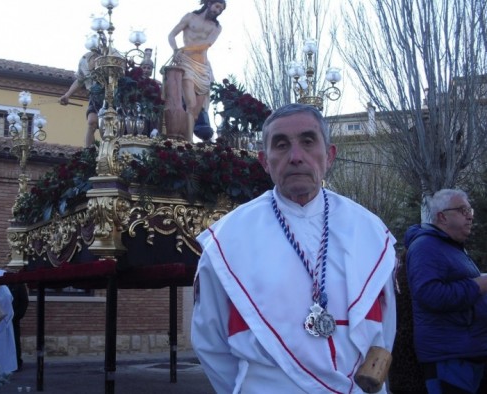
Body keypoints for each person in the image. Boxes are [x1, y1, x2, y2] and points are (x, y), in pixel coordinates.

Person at [191, 103, 397, 393]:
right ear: (264, 160)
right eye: (281, 145)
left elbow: (385, 331)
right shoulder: (227, 240)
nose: (296, 157)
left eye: (308, 141)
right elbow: (210, 344)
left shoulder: (371, 232)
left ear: (330, 155)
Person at [405, 189, 487, 393]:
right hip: (448, 357)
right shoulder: (425, 247)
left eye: (470, 210)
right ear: (442, 216)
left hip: (467, 352)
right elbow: (429, 294)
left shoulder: (451, 247)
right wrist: (480, 284)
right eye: (463, 210)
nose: (469, 215)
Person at [168, 0, 226, 141]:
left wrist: (183, 49)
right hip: (186, 64)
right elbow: (171, 35)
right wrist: (175, 50)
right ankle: (188, 141)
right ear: (209, 3)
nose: (218, 10)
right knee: (190, 104)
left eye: (221, 9)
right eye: (217, 6)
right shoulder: (190, 17)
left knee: (195, 111)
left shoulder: (216, 27)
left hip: (203, 68)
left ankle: (188, 142)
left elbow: (206, 44)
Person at [59, 48, 104, 147]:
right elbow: (80, 80)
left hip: (110, 94)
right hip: (95, 95)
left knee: (109, 126)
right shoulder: (85, 59)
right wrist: (67, 95)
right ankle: (88, 153)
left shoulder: (111, 54)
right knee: (92, 122)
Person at [9, 282, 29, 371]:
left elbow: (24, 301)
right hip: (0, 319)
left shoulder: (18, 284)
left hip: (13, 319)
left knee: (15, 340)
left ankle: (17, 362)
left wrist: (17, 316)